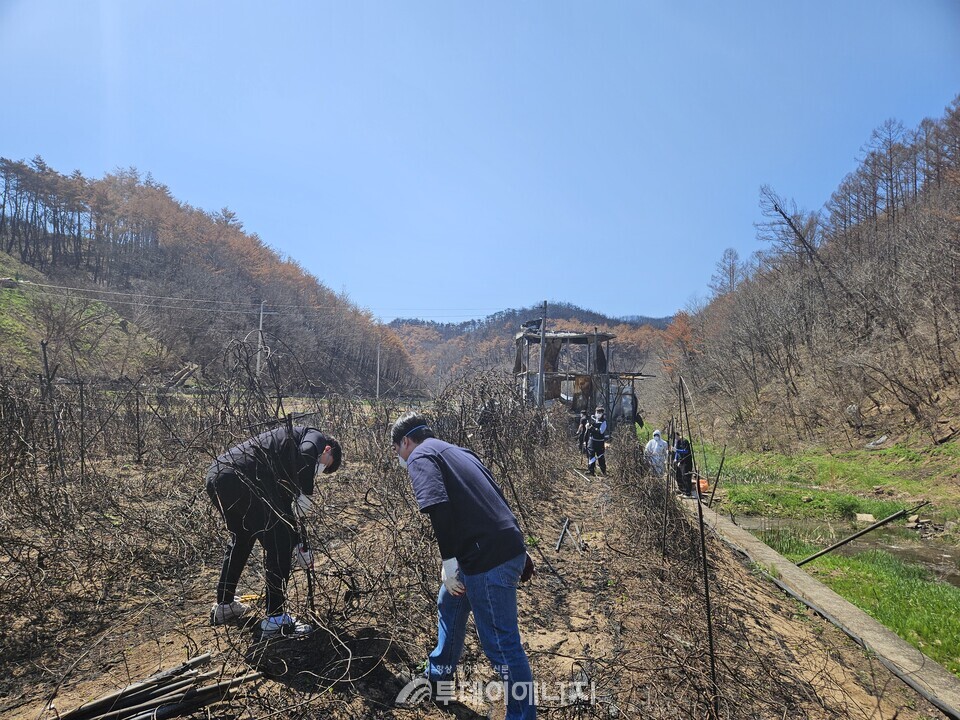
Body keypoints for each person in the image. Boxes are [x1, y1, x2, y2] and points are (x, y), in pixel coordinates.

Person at [391, 412, 535, 720]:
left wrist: (449, 562)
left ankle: (523, 716)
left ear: (406, 441)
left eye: (397, 449)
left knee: (502, 644)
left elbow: (439, 508)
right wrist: (519, 548)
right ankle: (437, 679)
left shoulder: (420, 456)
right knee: (450, 605)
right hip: (498, 546)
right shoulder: (458, 451)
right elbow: (494, 497)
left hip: (487, 559)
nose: (399, 457)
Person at [205, 424, 342, 637]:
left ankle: (224, 605)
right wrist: (306, 492)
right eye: (325, 465)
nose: (320, 469)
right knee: (279, 545)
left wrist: (298, 543)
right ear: (327, 450)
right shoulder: (315, 436)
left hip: (218, 474)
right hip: (241, 476)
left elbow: (285, 511)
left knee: (241, 538)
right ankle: (275, 619)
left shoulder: (285, 459)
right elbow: (307, 453)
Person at [585, 405, 608, 476]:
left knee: (600, 456)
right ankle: (591, 471)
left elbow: (601, 431)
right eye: (597, 412)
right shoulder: (593, 419)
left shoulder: (604, 422)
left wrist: (592, 428)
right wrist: (587, 426)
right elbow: (589, 428)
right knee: (591, 455)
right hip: (592, 441)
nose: (598, 413)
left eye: (600, 412)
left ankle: (603, 471)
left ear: (602, 413)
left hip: (599, 442)